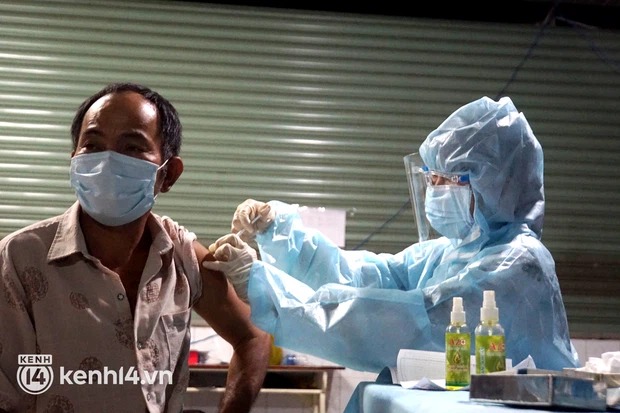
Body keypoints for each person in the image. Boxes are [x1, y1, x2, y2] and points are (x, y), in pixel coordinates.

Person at [203, 96, 580, 374]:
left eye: (447, 179)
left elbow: (402, 323)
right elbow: (366, 278)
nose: (435, 190)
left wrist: (262, 284)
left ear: (495, 187)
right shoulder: (447, 253)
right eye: (431, 178)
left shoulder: (517, 263)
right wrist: (279, 231)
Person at [0, 83, 271, 413]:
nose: (107, 161)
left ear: (168, 174)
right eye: (92, 145)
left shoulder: (183, 256)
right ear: (73, 160)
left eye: (132, 147)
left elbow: (253, 336)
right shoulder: (19, 260)